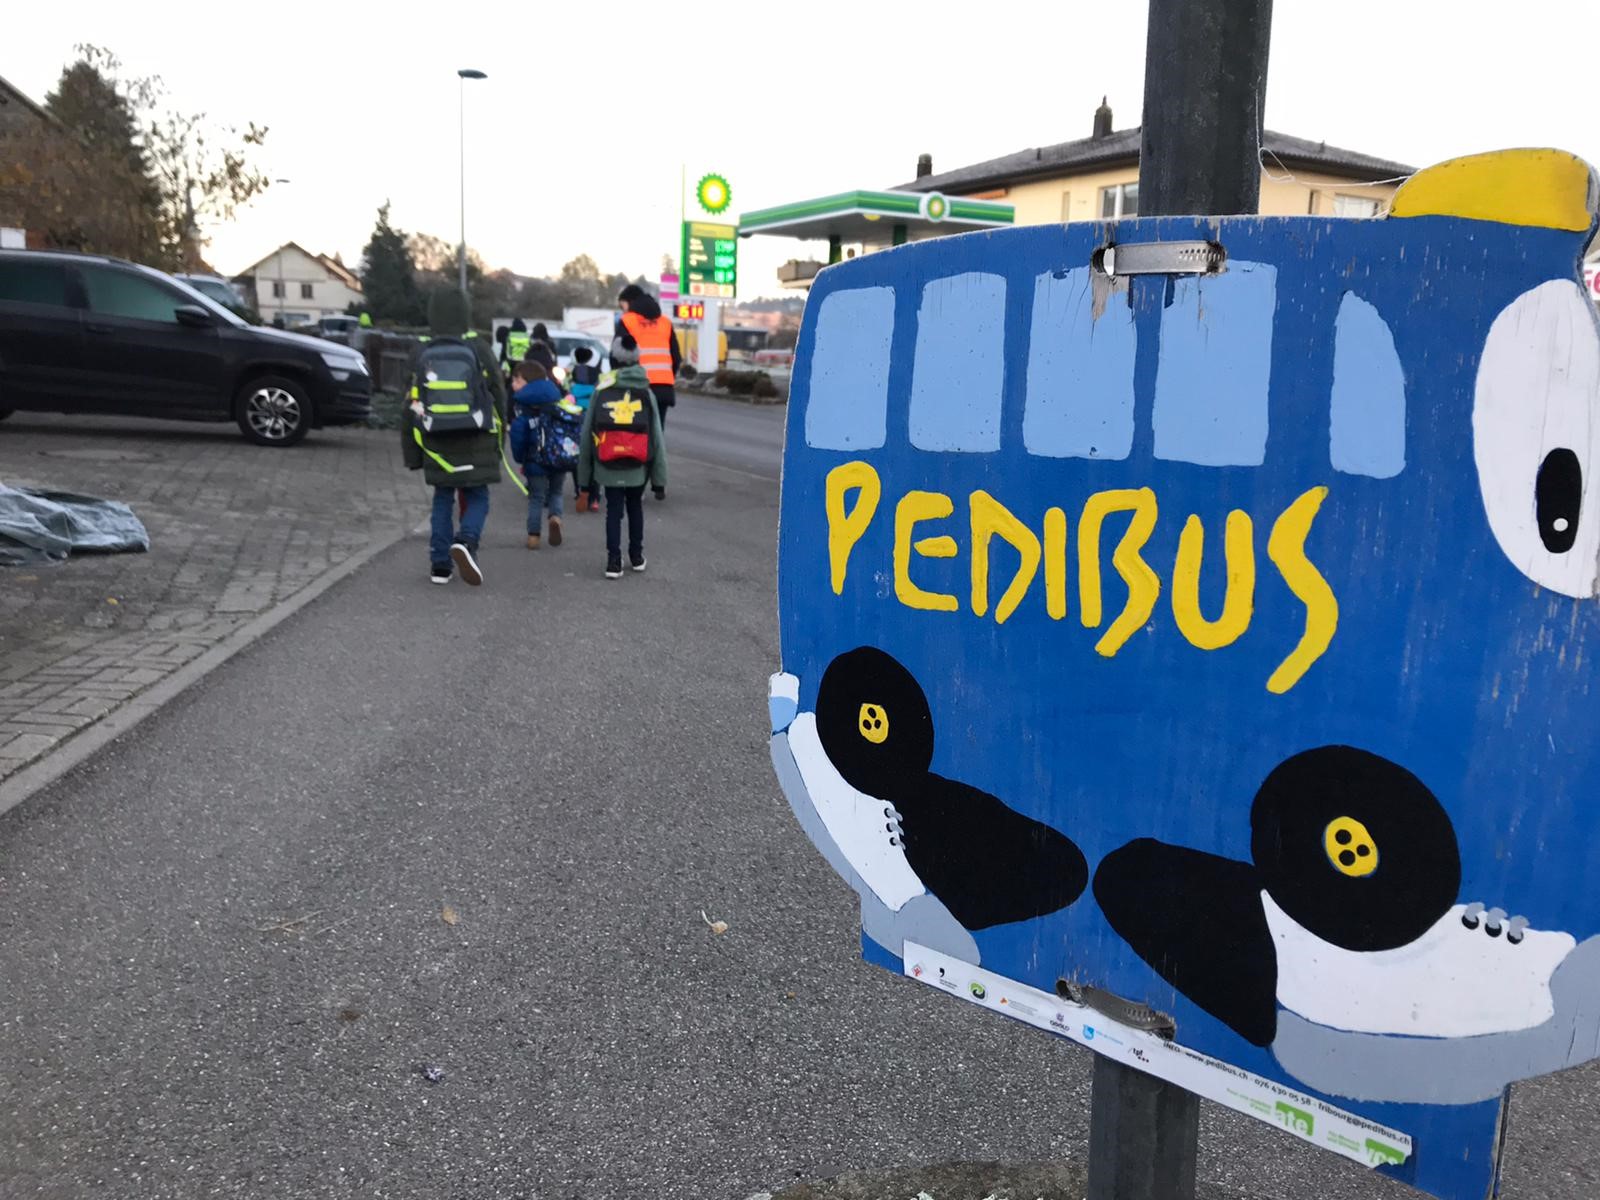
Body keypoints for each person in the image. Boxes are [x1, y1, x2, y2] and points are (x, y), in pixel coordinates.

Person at [401, 288, 507, 585]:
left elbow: (409, 404)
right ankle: (467, 541)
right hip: (477, 435)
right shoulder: (479, 347)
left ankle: (439, 565)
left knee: (442, 497)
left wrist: (413, 453)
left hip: (436, 438)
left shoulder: (420, 350)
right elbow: (498, 393)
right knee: (478, 495)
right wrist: (501, 440)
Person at [577, 337, 666, 578]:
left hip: (608, 464)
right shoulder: (646, 391)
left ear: (613, 359)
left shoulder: (602, 389)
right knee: (635, 507)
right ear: (637, 359)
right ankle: (636, 557)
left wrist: (583, 481)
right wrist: (659, 480)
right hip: (637, 465)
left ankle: (613, 562)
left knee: (613, 511)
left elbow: (587, 436)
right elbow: (656, 437)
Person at [507, 360, 573, 550]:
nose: (513, 385)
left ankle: (533, 536)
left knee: (536, 497)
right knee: (556, 492)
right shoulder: (556, 399)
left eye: (517, 381)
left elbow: (519, 436)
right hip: (559, 457)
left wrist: (521, 458)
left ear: (528, 382)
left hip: (535, 461)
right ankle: (555, 517)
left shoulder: (524, 409)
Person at [616, 284, 680, 431]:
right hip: (664, 389)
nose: (623, 310)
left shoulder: (627, 321)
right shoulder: (665, 323)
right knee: (657, 432)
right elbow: (676, 357)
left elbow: (617, 355)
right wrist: (667, 378)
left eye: (623, 306)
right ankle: (656, 454)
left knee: (637, 435)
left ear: (630, 302)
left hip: (637, 386)